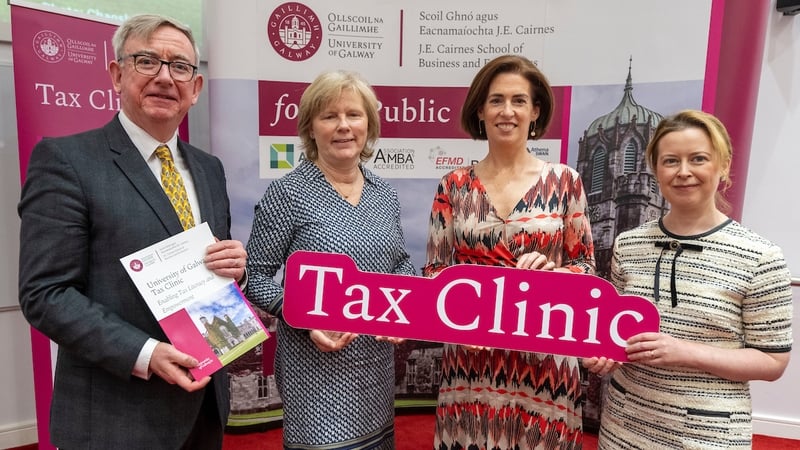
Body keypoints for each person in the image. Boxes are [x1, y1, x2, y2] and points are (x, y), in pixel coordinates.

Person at [18, 14, 247, 450]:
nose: (165, 77)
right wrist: (145, 353)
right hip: (115, 416)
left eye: (180, 66)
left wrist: (237, 270)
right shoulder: (67, 161)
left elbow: (211, 268)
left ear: (195, 89)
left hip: (204, 408)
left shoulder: (208, 169)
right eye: (147, 61)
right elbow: (45, 293)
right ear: (116, 74)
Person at [583, 110, 793, 449]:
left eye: (698, 159)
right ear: (655, 169)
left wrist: (685, 351)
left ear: (723, 165)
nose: (683, 172)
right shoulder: (629, 243)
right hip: (623, 428)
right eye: (670, 161)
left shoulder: (761, 256)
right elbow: (617, 331)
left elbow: (772, 362)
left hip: (706, 435)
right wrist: (605, 352)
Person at [423, 54, 596, 449]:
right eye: (496, 100)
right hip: (471, 362)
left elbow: (586, 268)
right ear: (480, 111)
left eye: (519, 100)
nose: (507, 111)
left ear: (536, 111)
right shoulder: (453, 185)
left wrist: (554, 276)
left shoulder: (565, 181)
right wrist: (457, 326)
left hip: (546, 361)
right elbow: (434, 272)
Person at [245, 70, 415, 449]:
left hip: (376, 369)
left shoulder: (384, 194)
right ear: (311, 128)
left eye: (353, 115)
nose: (343, 126)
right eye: (329, 116)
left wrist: (402, 305)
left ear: (368, 124)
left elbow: (402, 262)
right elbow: (252, 276)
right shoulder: (288, 193)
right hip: (314, 374)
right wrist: (304, 317)